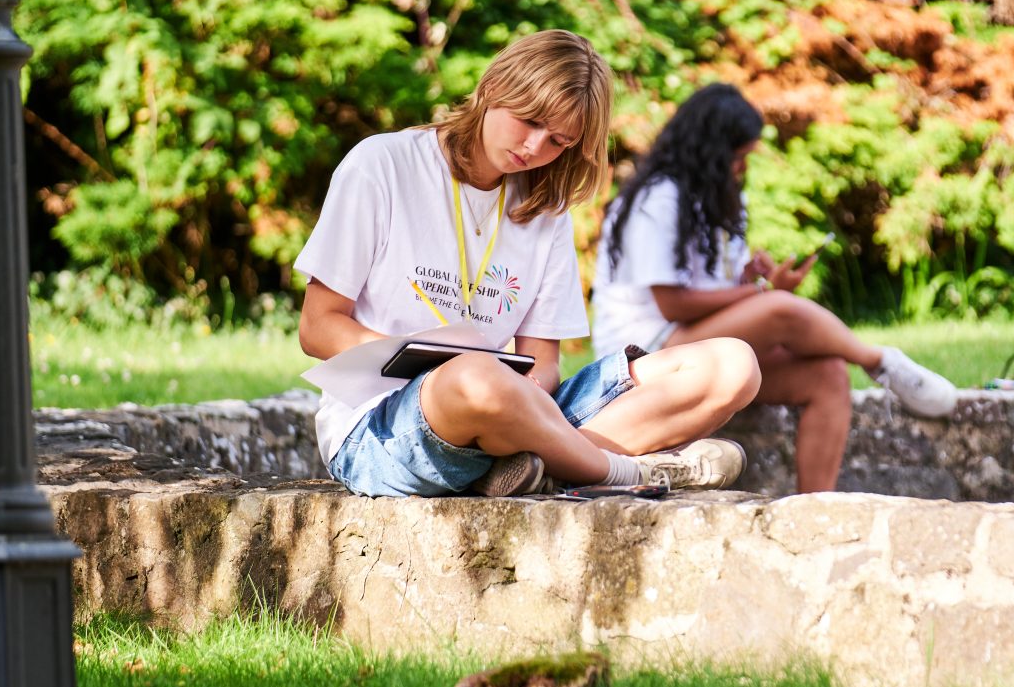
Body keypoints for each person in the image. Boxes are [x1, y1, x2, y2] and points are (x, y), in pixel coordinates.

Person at [294, 30, 761, 499]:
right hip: (384, 427)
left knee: (733, 365)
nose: (534, 147)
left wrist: (530, 387)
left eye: (559, 140)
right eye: (529, 120)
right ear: (495, 87)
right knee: (475, 378)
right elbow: (317, 328)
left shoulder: (546, 208)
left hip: (515, 415)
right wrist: (431, 358)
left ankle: (542, 463)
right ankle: (623, 472)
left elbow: (544, 362)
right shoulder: (383, 164)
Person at [592, 83, 958, 494]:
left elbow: (712, 292)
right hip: (645, 351)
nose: (742, 168)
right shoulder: (659, 198)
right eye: (738, 157)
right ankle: (880, 362)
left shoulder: (721, 200)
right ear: (711, 151)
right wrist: (761, 292)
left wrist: (748, 279)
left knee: (828, 375)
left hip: (701, 342)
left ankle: (817, 506)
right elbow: (673, 302)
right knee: (780, 309)